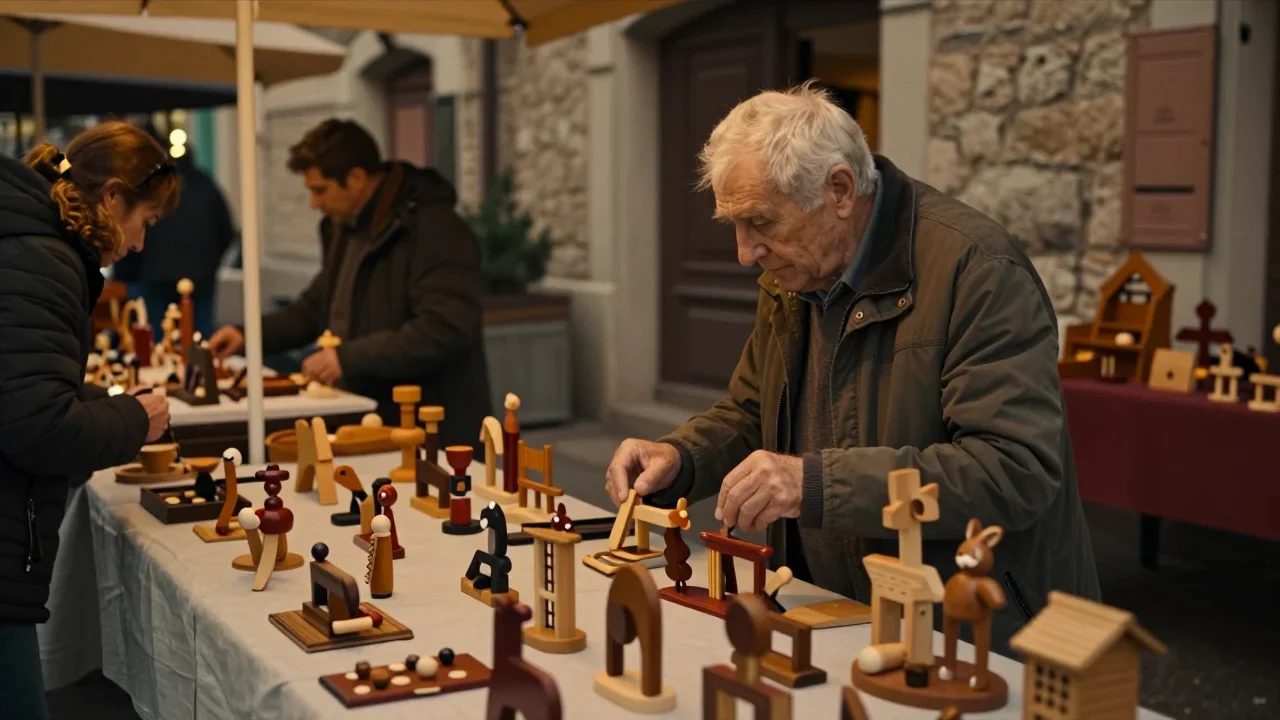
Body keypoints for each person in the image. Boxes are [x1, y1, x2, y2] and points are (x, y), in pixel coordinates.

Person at [604, 82, 1100, 654]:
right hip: (833, 615)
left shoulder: (979, 270)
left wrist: (813, 484)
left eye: (760, 222)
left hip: (965, 634)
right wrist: (682, 457)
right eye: (733, 225)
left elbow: (1013, 470)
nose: (745, 252)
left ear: (839, 189)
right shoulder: (795, 274)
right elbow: (751, 412)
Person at [0, 122, 177, 719]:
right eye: (144, 221)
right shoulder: (41, 259)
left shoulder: (30, 244)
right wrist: (132, 417)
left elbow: (21, 386)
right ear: (112, 199)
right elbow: (38, 427)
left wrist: (99, 398)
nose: (139, 244)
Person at [209, 119, 490, 449]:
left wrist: (347, 358)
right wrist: (248, 335)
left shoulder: (435, 230)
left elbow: (444, 329)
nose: (314, 203)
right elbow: (316, 307)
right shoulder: (342, 228)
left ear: (356, 179)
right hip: (364, 415)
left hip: (432, 430)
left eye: (320, 190)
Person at [112, 136, 235, 339]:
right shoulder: (206, 185)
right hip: (199, 277)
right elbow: (226, 231)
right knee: (199, 340)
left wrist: (129, 272)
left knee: (156, 339)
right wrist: (210, 263)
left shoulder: (152, 189)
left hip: (155, 275)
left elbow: (132, 228)